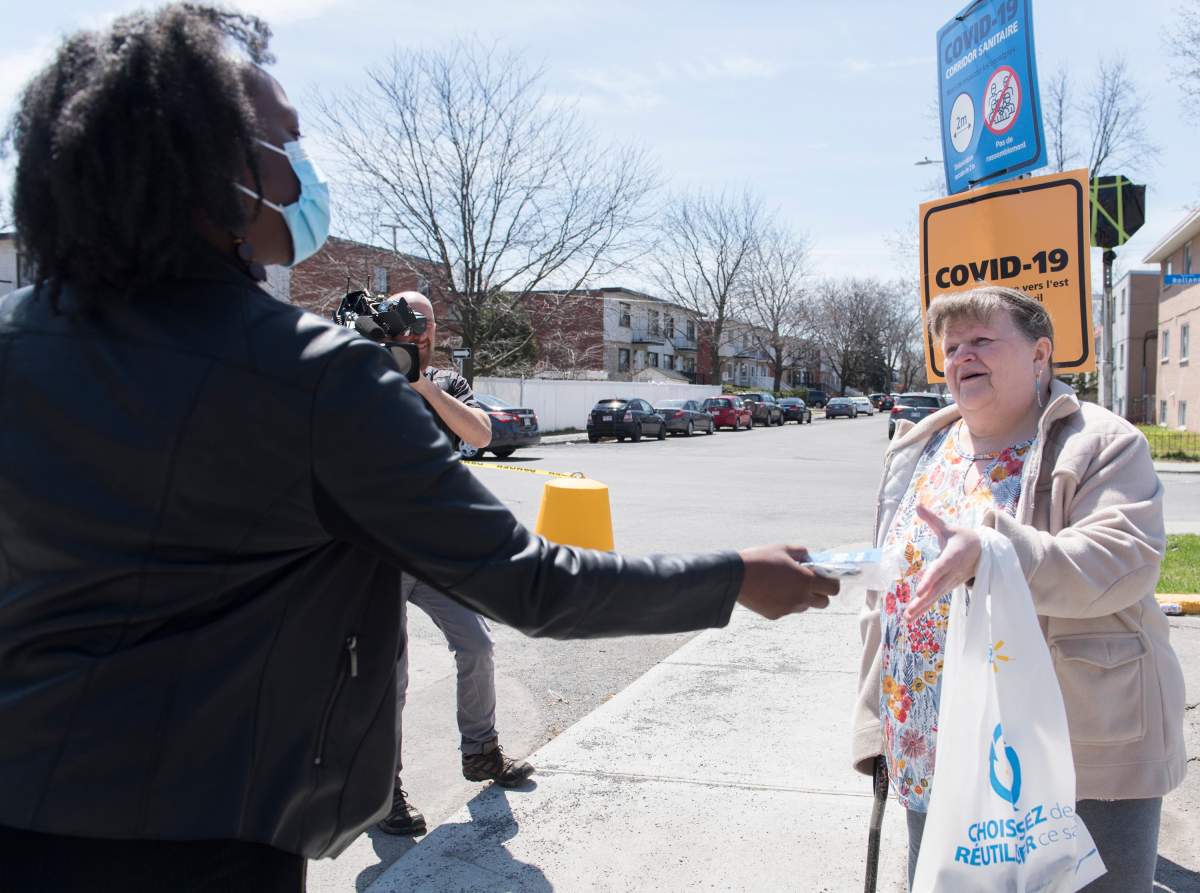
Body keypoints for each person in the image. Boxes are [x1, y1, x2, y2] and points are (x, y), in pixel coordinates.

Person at [0, 7, 839, 891]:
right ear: (224, 168)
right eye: (291, 141)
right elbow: (533, 583)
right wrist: (735, 576)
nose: (306, 169)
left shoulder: (20, 345)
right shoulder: (315, 376)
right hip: (193, 838)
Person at [852, 285, 1187, 891]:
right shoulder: (920, 448)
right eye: (951, 347)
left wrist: (996, 553)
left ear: (1040, 357)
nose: (961, 357)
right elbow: (888, 596)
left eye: (982, 340)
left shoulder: (1100, 442)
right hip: (934, 744)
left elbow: (1123, 559)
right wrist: (876, 724)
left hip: (1071, 747)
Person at [379, 291, 532, 838]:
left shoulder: (447, 383)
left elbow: (482, 434)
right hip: (377, 556)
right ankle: (383, 791)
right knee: (388, 677)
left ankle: (482, 753)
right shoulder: (361, 375)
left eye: (427, 324)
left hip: (439, 553)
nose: (419, 333)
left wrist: (420, 382)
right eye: (408, 325)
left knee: (478, 644)